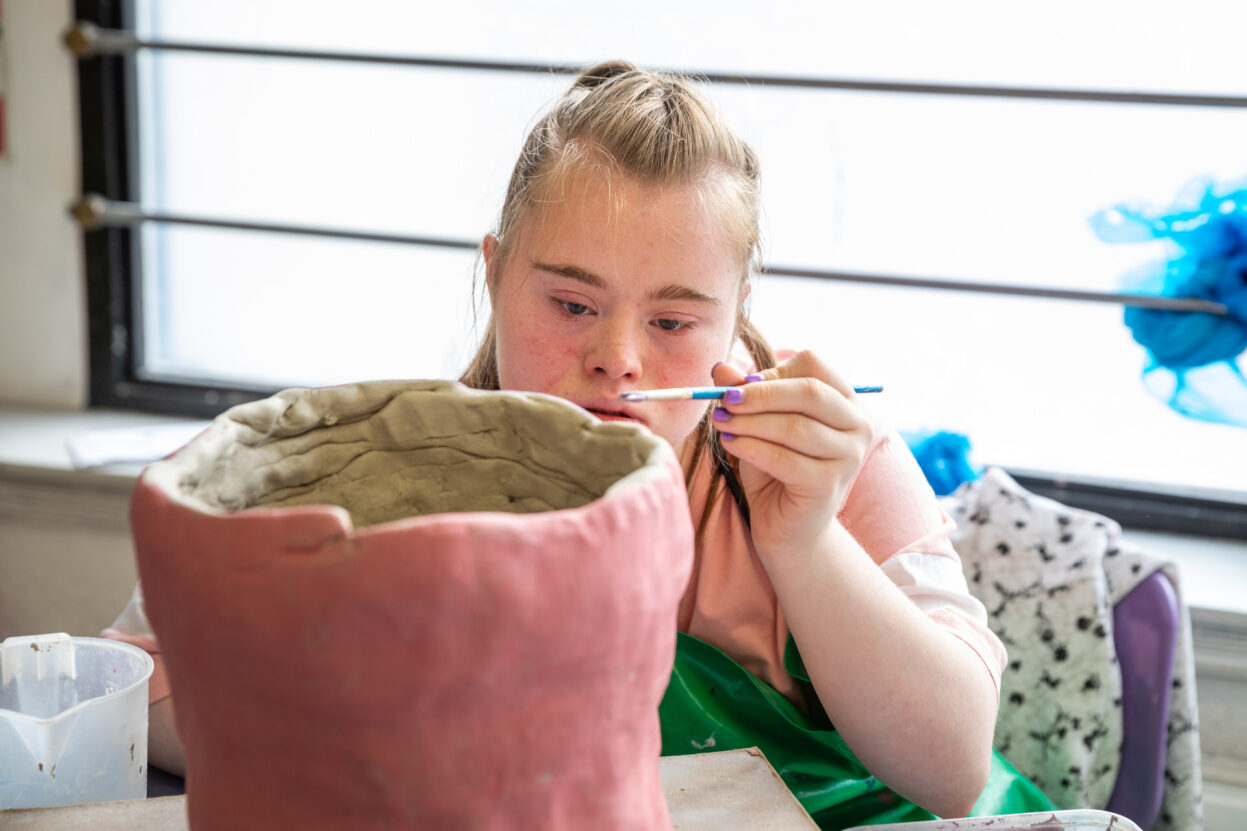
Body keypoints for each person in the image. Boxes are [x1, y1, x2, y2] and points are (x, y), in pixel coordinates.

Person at [108, 60, 1038, 822]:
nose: (617, 360)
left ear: (733, 319)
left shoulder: (822, 456)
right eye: (571, 304)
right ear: (495, 272)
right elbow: (129, 688)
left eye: (674, 320)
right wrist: (382, 720)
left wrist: (802, 542)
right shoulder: (400, 464)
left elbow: (951, 771)